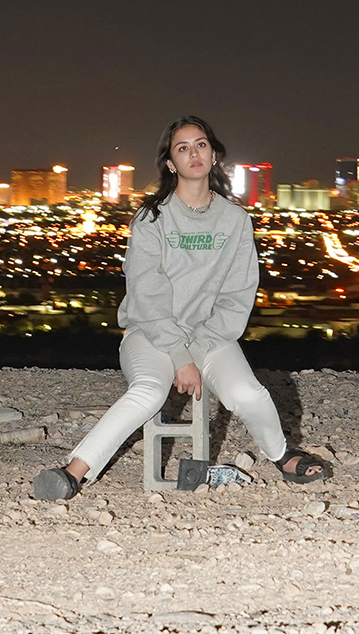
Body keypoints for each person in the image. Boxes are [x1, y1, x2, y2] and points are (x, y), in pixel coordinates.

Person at [33, 115, 331, 500]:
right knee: (148, 392)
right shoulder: (151, 218)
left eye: (201, 144)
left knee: (247, 393)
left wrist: (198, 348)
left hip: (210, 335)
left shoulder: (236, 220)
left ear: (214, 155)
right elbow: (146, 292)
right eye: (183, 147)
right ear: (171, 163)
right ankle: (73, 473)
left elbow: (238, 294)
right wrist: (178, 354)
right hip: (152, 334)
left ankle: (282, 456)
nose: (194, 153)